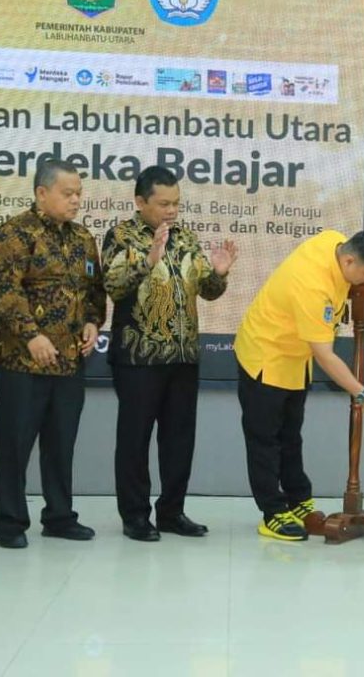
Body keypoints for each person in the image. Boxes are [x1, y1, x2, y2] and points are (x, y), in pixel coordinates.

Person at [102, 166, 238, 542]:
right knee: (135, 440)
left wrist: (220, 274)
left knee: (179, 439)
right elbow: (112, 286)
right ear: (140, 202)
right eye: (163, 204)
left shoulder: (185, 237)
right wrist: (147, 260)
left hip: (183, 357)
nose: (172, 211)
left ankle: (172, 512)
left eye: (176, 203)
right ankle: (135, 516)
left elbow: (206, 290)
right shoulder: (121, 235)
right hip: (139, 359)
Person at [234, 230, 364, 541]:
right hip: (266, 356)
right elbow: (326, 357)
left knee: (291, 435)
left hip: (294, 358)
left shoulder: (335, 240)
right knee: (266, 441)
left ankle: (298, 499)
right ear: (348, 260)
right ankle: (273, 513)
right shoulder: (312, 287)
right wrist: (363, 395)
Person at [0, 158, 106, 548]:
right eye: (67, 193)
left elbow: (94, 291)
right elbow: (7, 292)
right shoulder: (13, 234)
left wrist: (93, 322)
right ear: (42, 193)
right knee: (14, 445)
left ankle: (59, 516)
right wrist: (31, 336)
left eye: (79, 193)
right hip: (22, 362)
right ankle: (9, 521)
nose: (75, 201)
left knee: (61, 445)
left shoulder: (82, 238)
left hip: (69, 362)